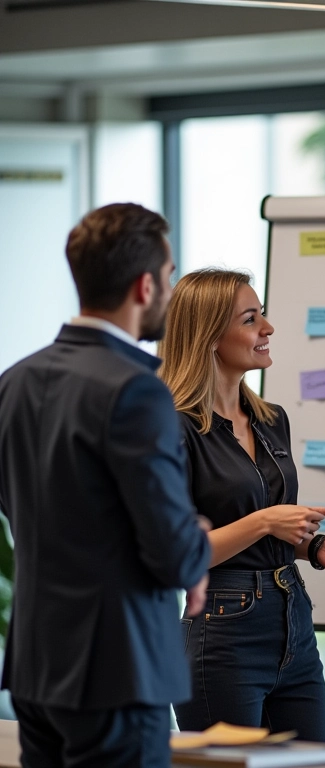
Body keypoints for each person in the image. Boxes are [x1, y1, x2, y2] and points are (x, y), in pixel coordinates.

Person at [0, 203, 211, 768]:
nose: (170, 289)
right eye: (169, 277)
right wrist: (195, 536)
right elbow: (171, 552)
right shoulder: (137, 391)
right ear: (145, 286)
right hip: (117, 669)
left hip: (36, 666)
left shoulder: (14, 382)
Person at [158, 268, 325, 740]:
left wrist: (313, 548)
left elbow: (263, 528)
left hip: (292, 616)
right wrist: (265, 520)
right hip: (221, 629)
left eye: (264, 315)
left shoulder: (272, 419)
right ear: (210, 336)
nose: (268, 329)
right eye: (251, 319)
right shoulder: (173, 429)